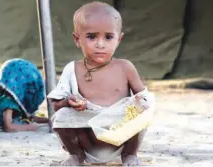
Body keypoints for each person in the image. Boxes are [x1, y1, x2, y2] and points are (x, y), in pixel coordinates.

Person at [47, 2, 154, 166]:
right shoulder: (72, 69)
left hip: (119, 133)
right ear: (77, 39)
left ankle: (130, 154)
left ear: (118, 40)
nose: (100, 44)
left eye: (108, 37)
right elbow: (56, 105)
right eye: (91, 37)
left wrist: (140, 103)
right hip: (87, 135)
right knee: (61, 116)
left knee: (141, 114)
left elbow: (144, 98)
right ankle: (76, 155)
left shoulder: (125, 67)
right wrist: (69, 101)